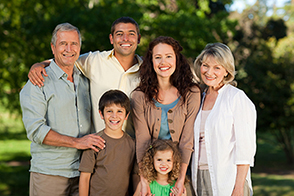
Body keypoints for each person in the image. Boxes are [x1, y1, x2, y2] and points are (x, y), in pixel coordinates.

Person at [20, 23, 104, 196]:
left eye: (74, 44)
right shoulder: (38, 82)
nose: (69, 49)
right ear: (53, 47)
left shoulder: (85, 79)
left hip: (83, 172)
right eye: (63, 44)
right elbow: (36, 130)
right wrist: (77, 142)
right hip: (50, 173)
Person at [27, 16, 142, 137]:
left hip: (133, 148)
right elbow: (66, 58)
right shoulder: (94, 61)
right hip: (99, 148)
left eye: (131, 34)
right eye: (119, 34)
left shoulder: (147, 70)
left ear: (138, 39)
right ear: (111, 39)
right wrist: (40, 64)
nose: (125, 38)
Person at [131, 36, 201, 196]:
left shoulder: (191, 93)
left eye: (169, 56)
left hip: (180, 171)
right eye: (158, 57)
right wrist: (144, 181)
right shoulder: (139, 96)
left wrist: (180, 180)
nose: (164, 62)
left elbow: (186, 140)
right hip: (149, 172)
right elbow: (142, 141)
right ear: (151, 62)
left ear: (177, 59)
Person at [191, 43, 256, 196]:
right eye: (205, 65)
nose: (209, 72)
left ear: (226, 71)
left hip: (228, 179)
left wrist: (239, 187)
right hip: (199, 176)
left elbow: (245, 148)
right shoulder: (198, 97)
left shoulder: (236, 97)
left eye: (217, 68)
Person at [79, 90, 135, 196]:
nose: (114, 116)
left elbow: (134, 175)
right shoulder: (94, 142)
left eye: (119, 111)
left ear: (126, 115)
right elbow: (85, 178)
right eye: (109, 111)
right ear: (101, 114)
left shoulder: (131, 144)